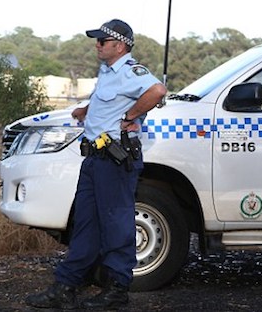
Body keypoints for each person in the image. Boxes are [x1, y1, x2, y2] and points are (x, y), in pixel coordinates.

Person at [25, 19, 167, 309]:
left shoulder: (131, 72)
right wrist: (85, 110)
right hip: (94, 159)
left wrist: (130, 116)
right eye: (97, 40)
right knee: (85, 225)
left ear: (120, 45)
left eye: (102, 41)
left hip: (115, 160)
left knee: (115, 223)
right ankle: (65, 287)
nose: (97, 45)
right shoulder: (108, 72)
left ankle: (117, 289)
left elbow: (157, 91)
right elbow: (107, 102)